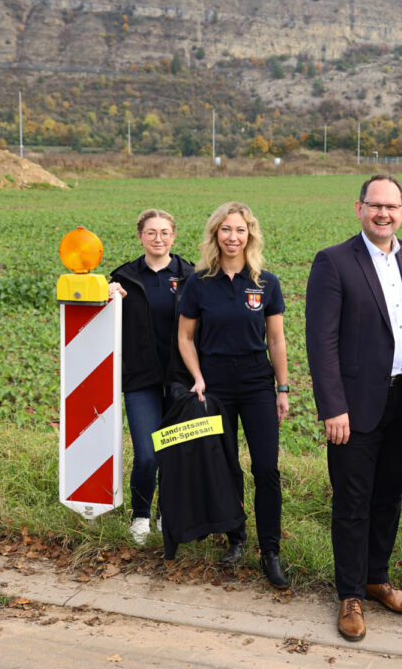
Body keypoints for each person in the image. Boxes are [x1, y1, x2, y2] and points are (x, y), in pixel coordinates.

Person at [305, 174, 402, 642]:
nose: (384, 213)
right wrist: (332, 407)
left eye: (392, 206)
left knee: (390, 494)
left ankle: (377, 577)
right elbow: (321, 343)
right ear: (358, 208)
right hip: (353, 407)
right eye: (374, 205)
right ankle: (349, 594)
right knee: (352, 501)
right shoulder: (335, 262)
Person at [176, 201, 291, 588]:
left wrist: (283, 387)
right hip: (217, 384)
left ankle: (270, 550)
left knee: (266, 469)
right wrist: (198, 377)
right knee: (226, 466)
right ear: (215, 235)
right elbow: (185, 337)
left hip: (257, 383)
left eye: (239, 230)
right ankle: (236, 536)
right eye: (225, 230)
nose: (232, 237)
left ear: (249, 235)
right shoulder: (199, 282)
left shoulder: (265, 282)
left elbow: (275, 340)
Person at [108, 209, 196, 546]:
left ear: (174, 236)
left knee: (174, 452)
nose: (158, 239)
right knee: (146, 454)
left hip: (180, 380)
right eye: (150, 233)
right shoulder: (124, 277)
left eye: (164, 232)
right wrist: (109, 294)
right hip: (141, 380)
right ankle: (141, 515)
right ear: (140, 236)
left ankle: (166, 514)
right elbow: (100, 316)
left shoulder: (192, 276)